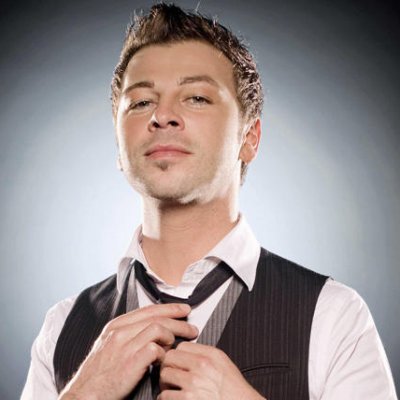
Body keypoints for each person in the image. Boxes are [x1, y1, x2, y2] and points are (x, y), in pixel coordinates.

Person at [22, 3, 397, 400]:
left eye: (197, 98)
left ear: (249, 138)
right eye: (142, 102)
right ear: (119, 144)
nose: (162, 115)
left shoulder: (333, 315)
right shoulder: (61, 328)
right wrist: (85, 393)